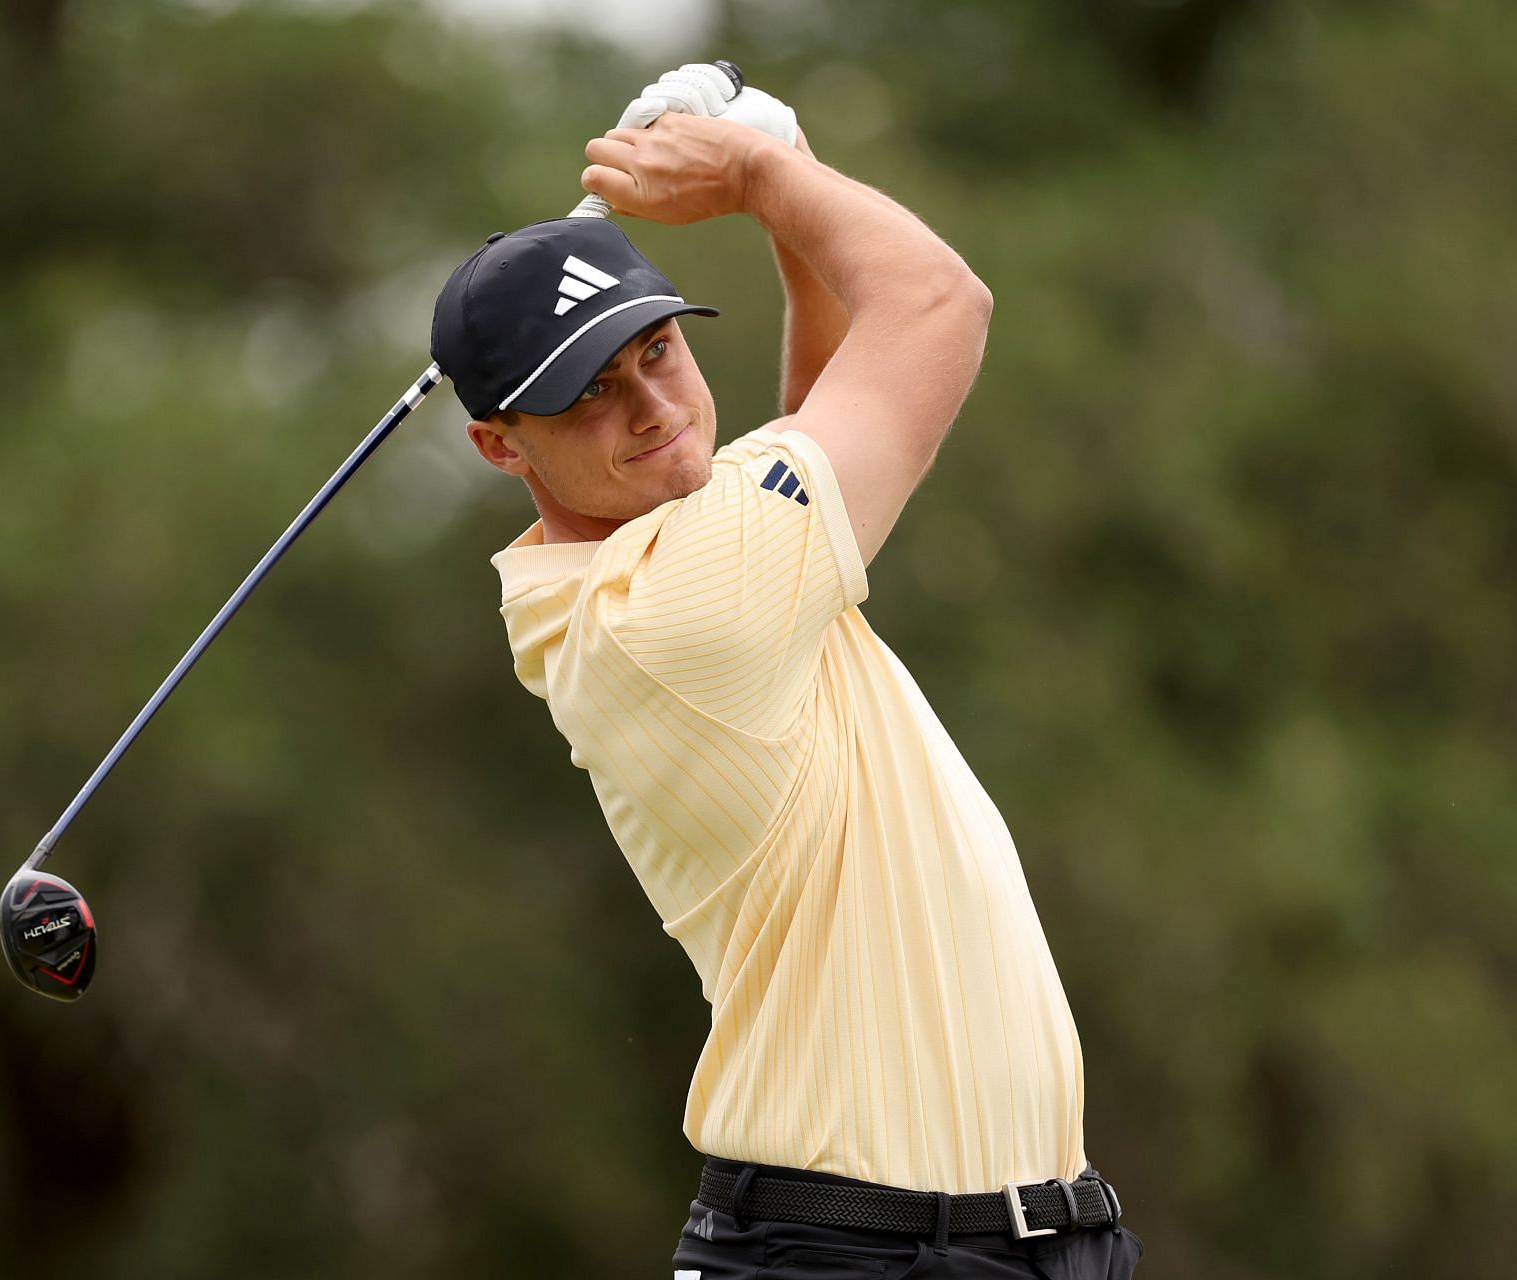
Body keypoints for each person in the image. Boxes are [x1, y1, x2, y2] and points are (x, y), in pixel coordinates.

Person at [428, 65, 1145, 1279]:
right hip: (858, 1254)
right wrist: (765, 174)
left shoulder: (663, 554)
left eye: (656, 349)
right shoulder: (682, 602)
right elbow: (936, 303)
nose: (652, 405)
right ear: (501, 443)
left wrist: (786, 189)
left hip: (1004, 1241)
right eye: (588, 392)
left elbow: (817, 416)